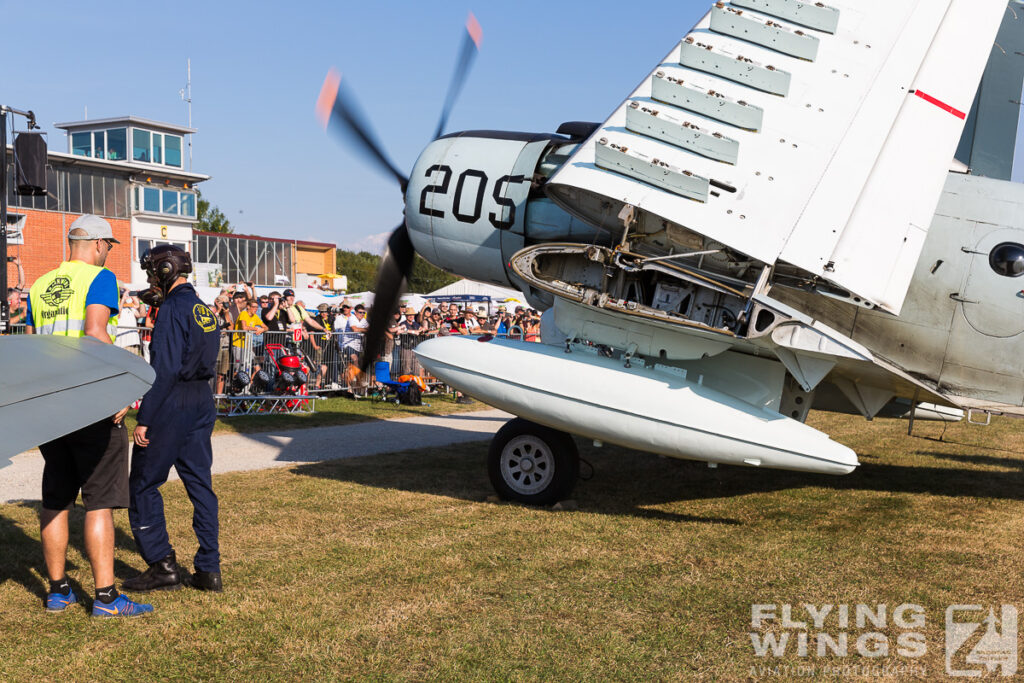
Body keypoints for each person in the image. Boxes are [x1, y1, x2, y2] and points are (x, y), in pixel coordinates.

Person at [25, 214, 153, 617]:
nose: (107, 254)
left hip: (50, 403)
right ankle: (106, 598)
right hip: (90, 403)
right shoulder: (100, 278)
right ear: (99, 245)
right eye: (108, 247)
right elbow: (96, 332)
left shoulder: (40, 285)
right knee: (99, 501)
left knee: (56, 499)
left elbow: (33, 346)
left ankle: (58, 590)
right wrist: (125, 386)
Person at [124, 245, 222, 594]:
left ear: (165, 270)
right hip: (201, 399)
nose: (150, 277)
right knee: (200, 485)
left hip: (173, 400)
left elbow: (163, 369)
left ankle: (162, 566)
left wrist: (144, 417)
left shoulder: (171, 310)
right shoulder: (202, 308)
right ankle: (209, 569)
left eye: (152, 271)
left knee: (143, 484)